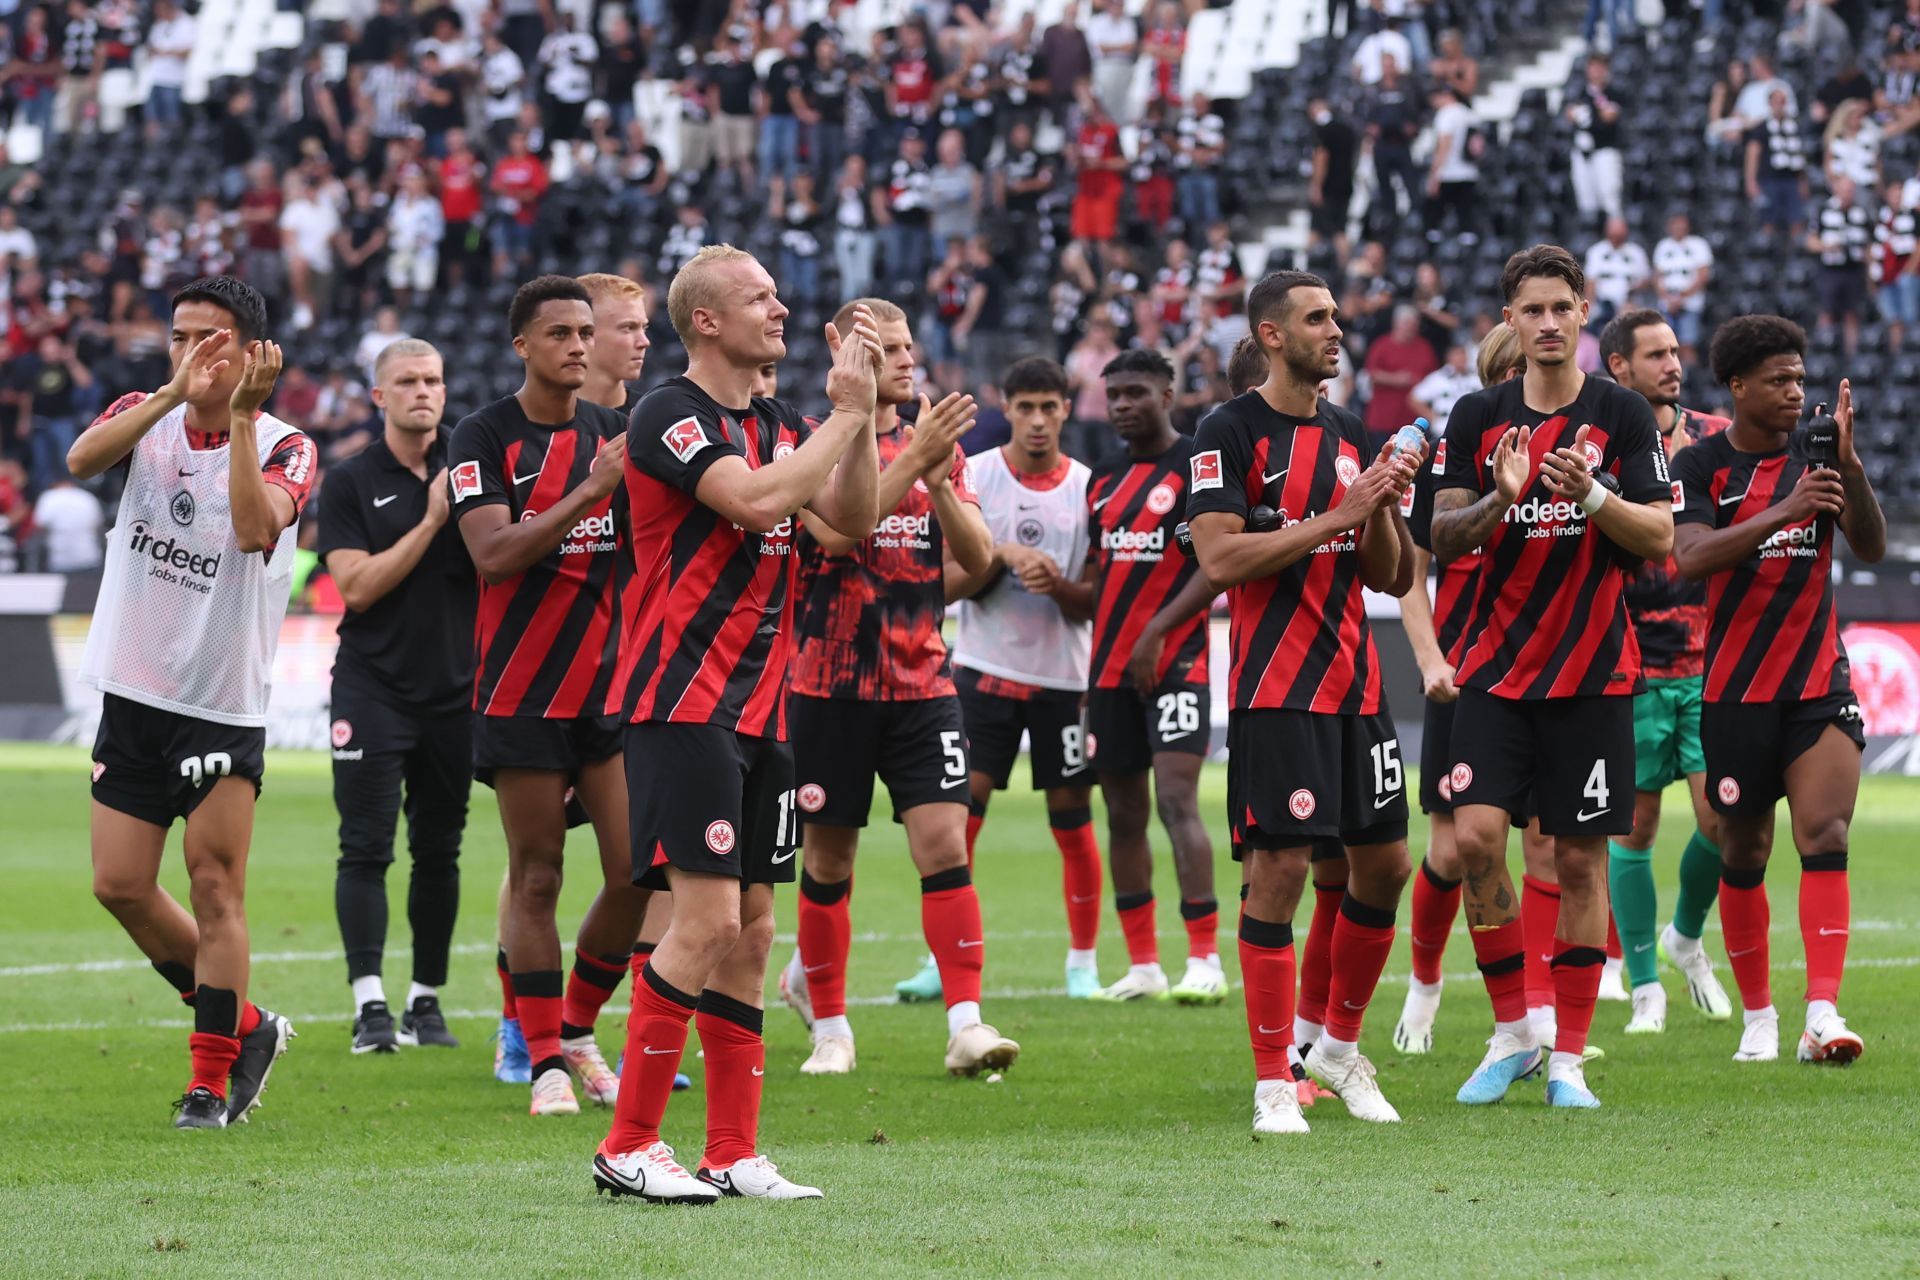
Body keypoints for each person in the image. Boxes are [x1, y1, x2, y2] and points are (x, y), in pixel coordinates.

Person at [593, 246, 880, 1204]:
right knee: (708, 918)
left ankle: (731, 1149)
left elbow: (850, 521)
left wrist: (866, 412)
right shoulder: (666, 413)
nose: (783, 308)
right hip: (682, 700)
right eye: (760, 297)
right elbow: (757, 504)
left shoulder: (782, 422)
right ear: (707, 320)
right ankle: (629, 1143)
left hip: (762, 707)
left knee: (754, 931)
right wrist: (843, 416)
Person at [1430, 245, 1676, 1110]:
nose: (1544, 323)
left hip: (1594, 674)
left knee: (1580, 861)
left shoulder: (1624, 416)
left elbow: (1661, 540)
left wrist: (1596, 497)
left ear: (1581, 311)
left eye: (1559, 308)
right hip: (1495, 674)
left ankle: (1567, 1056)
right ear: (1509, 319)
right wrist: (1504, 497)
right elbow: (1443, 537)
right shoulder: (1475, 416)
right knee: (1473, 843)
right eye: (1528, 310)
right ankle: (1512, 1034)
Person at [67, 275, 311, 1128]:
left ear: (251, 352)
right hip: (135, 692)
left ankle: (210, 1081)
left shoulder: (286, 445)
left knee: (214, 888)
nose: (191, 353)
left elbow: (253, 528)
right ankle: (246, 1025)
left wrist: (239, 418)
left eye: (209, 338)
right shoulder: (146, 411)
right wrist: (172, 394)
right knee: (120, 884)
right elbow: (80, 460)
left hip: (221, 702)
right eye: (179, 337)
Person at [1185, 270, 1422, 1136]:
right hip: (1276, 692)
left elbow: (1390, 575)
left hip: (1358, 689)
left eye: (1336, 315)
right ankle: (1271, 1082)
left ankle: (1335, 1050)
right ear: (1271, 335)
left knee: (1385, 867)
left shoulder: (1352, 434)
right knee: (1280, 875)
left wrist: (1383, 508)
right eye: (1316, 318)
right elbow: (1219, 561)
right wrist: (1339, 515)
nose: (1336, 329)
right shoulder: (1228, 431)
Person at [775, 299, 1019, 1079]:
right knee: (830, 858)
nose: (910, 361)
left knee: (945, 844)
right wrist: (916, 457)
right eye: (891, 349)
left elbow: (979, 559)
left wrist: (944, 480)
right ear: (849, 357)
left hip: (922, 683)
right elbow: (838, 529)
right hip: (827, 685)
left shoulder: (938, 447)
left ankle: (967, 1024)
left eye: (912, 347)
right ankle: (832, 1028)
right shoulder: (809, 444)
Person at [448, 276, 644, 1117]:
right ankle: (545, 1068)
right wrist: (590, 494)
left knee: (640, 870)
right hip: (522, 693)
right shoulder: (482, 435)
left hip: (608, 693)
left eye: (584, 330)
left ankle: (573, 1027)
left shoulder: (615, 434)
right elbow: (493, 555)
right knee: (537, 878)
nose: (576, 343)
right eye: (559, 332)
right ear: (522, 345)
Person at [1671, 316, 1885, 1066]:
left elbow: (1871, 545)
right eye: (1779, 380)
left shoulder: (1819, 460)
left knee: (1825, 835)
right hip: (1734, 693)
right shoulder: (1701, 468)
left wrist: (1850, 472)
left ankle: (1822, 1010)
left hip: (1817, 684)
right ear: (1738, 386)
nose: (1797, 392)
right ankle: (1758, 1014)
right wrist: (1785, 512)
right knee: (1744, 848)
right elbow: (1691, 557)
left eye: (1801, 378)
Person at [317, 339, 474, 1053]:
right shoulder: (351, 480)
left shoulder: (472, 466)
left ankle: (425, 1000)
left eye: (433, 380)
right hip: (372, 686)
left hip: (456, 690)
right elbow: (355, 586)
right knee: (366, 848)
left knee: (440, 850)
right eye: (407, 381)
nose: (424, 392)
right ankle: (370, 1004)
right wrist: (433, 520)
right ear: (378, 396)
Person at [934, 357, 1104, 1001]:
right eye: (1024, 407)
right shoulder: (971, 476)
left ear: (1066, 408)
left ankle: (1082, 964)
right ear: (1006, 407)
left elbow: (1097, 601)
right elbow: (944, 583)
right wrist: (997, 555)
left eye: (1049, 407)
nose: (1037, 420)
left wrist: (1059, 585)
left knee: (1073, 822)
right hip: (983, 674)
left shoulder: (1088, 488)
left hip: (1064, 680)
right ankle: (941, 960)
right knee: (957, 822)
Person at [1596, 309, 1735, 1034]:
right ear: (1619, 366)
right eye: (1655, 354)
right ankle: (1644, 981)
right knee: (1637, 825)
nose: (1673, 364)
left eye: (1676, 351)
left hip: (1712, 662)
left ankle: (1685, 933)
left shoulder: (1714, 439)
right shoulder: (1606, 446)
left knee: (1723, 817)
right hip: (1635, 664)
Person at [1391, 322, 1523, 1057]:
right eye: (1506, 371)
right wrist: (1430, 658)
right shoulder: (1453, 453)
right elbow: (1410, 569)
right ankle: (1425, 983)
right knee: (1448, 852)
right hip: (1466, 673)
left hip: (1542, 676)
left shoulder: (1572, 442)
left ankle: (1532, 1016)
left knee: (1547, 845)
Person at [1081, 349, 1224, 1005]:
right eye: (1113, 396)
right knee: (1123, 814)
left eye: (1135, 392)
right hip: (1108, 673)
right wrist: (1057, 588)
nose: (1120, 406)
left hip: (1177, 665)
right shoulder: (1102, 480)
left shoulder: (1196, 468)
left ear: (1168, 394)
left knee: (1175, 801)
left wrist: (1157, 630)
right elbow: (1097, 580)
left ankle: (1205, 957)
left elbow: (1214, 565)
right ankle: (1143, 964)